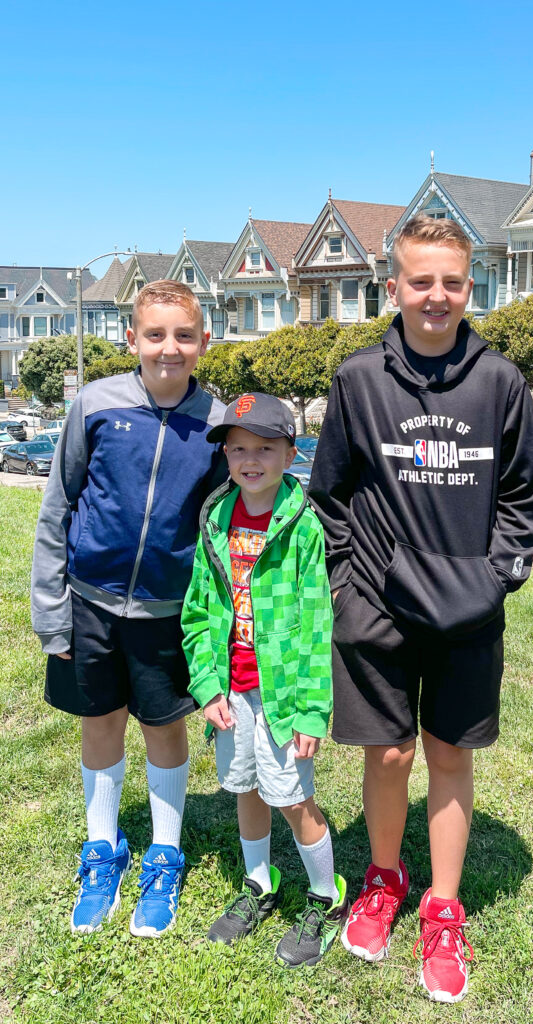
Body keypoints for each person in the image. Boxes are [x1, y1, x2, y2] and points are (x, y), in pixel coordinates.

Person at [308, 215, 533, 1003]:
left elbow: (523, 496)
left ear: (468, 287)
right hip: (375, 607)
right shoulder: (357, 379)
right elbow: (330, 495)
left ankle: (443, 906)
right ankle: (384, 879)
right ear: (394, 287)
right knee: (387, 756)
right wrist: (350, 581)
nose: (436, 296)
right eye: (421, 281)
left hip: (468, 615)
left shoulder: (500, 382)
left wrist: (492, 582)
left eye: (451, 281)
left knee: (449, 755)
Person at [31, 280, 226, 938]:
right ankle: (103, 847)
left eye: (183, 335)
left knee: (163, 727)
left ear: (204, 340)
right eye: (154, 334)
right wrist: (51, 609)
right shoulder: (94, 404)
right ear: (131, 338)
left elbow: (222, 530)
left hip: (168, 612)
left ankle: (165, 853)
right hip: (87, 602)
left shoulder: (217, 423)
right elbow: (58, 508)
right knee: (100, 719)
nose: (168, 348)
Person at [181, 393, 349, 968]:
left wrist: (309, 710)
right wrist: (206, 684)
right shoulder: (215, 519)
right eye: (238, 449)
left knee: (293, 797)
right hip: (230, 690)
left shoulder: (301, 528)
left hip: (281, 695)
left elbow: (314, 625)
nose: (250, 460)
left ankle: (327, 898)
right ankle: (260, 881)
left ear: (290, 452)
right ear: (226, 455)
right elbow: (199, 610)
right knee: (244, 787)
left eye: (264, 448)